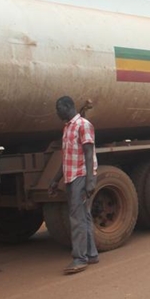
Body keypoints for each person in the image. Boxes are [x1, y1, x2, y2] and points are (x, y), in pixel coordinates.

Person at [50, 96, 99, 275]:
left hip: (81, 176)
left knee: (76, 218)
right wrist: (56, 180)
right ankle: (91, 254)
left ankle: (79, 258)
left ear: (67, 106)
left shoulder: (83, 125)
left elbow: (88, 153)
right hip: (71, 177)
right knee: (83, 216)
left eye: (58, 108)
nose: (56, 112)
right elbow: (67, 158)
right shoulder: (67, 128)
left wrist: (90, 181)